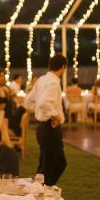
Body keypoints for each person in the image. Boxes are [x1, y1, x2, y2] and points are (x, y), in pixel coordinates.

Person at [25, 53, 67, 185]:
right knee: (55, 164)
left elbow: (28, 101)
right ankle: (43, 189)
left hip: (42, 127)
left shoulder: (42, 79)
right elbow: (44, 103)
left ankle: (41, 189)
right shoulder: (54, 82)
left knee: (46, 164)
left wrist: (40, 111)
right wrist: (55, 115)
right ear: (63, 67)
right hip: (50, 128)